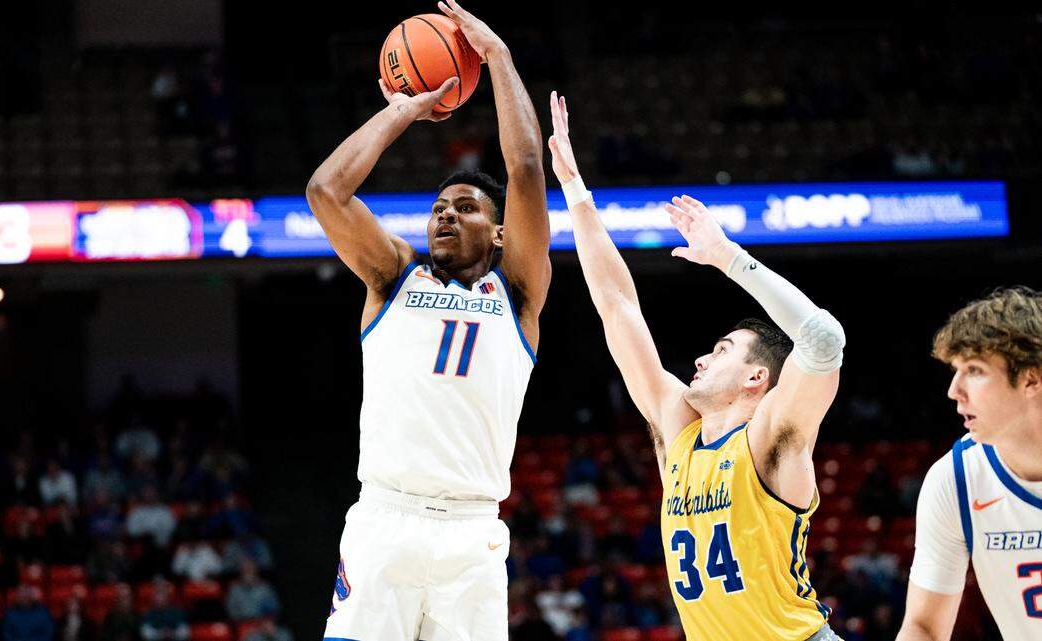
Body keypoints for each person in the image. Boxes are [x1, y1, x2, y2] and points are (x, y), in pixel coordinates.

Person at [546, 91, 845, 641]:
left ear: (758, 378)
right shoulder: (677, 430)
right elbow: (617, 306)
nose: (703, 358)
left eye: (725, 350)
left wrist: (728, 257)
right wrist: (574, 191)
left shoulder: (772, 437)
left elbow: (823, 338)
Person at [304, 0, 550, 638]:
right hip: (385, 518)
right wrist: (400, 111)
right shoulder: (393, 278)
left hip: (471, 532)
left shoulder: (516, 294)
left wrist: (498, 56)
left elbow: (524, 171)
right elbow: (326, 192)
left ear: (498, 232)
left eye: (465, 207)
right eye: (439, 206)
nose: (445, 214)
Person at [896, 287, 1042, 641]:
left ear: (1031, 378)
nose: (953, 390)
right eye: (955, 370)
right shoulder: (956, 479)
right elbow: (924, 627)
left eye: (974, 370)